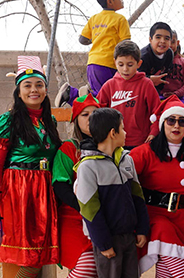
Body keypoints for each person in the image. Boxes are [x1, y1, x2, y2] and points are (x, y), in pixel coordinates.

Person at [0, 56, 61, 278]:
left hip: (44, 191)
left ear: (46, 89)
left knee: (41, 254)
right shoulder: (9, 120)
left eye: (39, 85)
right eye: (27, 85)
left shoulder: (50, 121)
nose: (34, 90)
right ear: (18, 92)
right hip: (19, 191)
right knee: (30, 256)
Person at [75, 108, 149, 278]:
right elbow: (89, 209)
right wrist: (103, 243)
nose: (126, 132)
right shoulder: (87, 167)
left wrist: (142, 229)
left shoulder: (127, 159)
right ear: (112, 133)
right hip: (108, 240)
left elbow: (138, 197)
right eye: (122, 128)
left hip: (129, 237)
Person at [130, 95, 184, 277]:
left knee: (166, 273)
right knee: (182, 273)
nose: (176, 126)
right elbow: (121, 179)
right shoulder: (145, 152)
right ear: (162, 123)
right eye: (171, 120)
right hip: (155, 219)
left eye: (182, 122)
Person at [52, 94, 103, 277]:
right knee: (87, 267)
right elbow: (60, 185)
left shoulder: (113, 147)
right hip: (74, 218)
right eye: (85, 114)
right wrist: (86, 208)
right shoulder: (68, 148)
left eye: (95, 113)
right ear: (75, 120)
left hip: (105, 219)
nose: (90, 118)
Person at [55, 0, 130, 107]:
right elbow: (126, 43)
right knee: (106, 99)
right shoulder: (120, 19)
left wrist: (98, 37)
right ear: (110, 1)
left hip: (93, 63)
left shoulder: (94, 18)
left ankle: (83, 95)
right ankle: (73, 95)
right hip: (109, 64)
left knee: (102, 97)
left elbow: (82, 39)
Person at [97, 40, 160, 149]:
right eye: (120, 64)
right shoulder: (109, 85)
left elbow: (157, 110)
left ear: (139, 64)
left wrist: (153, 132)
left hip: (140, 142)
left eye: (130, 64)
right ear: (114, 62)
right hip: (114, 142)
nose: (125, 69)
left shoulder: (146, 84)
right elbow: (98, 111)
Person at [138, 22, 174, 95]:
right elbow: (135, 78)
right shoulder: (143, 57)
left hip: (157, 91)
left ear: (170, 42)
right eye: (158, 37)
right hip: (139, 91)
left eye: (166, 38)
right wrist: (149, 80)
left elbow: (164, 75)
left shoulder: (169, 54)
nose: (162, 41)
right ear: (150, 39)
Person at [161, 29, 184, 109]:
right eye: (168, 42)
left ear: (177, 43)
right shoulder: (157, 61)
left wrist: (175, 94)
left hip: (179, 97)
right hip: (160, 96)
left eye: (173, 42)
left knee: (181, 110)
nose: (170, 45)